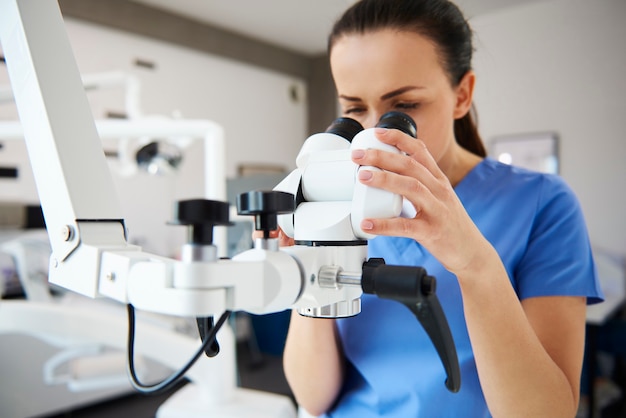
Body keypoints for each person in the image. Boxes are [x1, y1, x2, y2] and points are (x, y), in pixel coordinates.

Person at [280, 0, 604, 417]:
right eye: (355, 110)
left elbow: (545, 412)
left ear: (462, 94)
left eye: (404, 108)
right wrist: (309, 261)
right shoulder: (337, 201)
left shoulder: (544, 205)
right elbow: (313, 397)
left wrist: (475, 263)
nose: (374, 135)